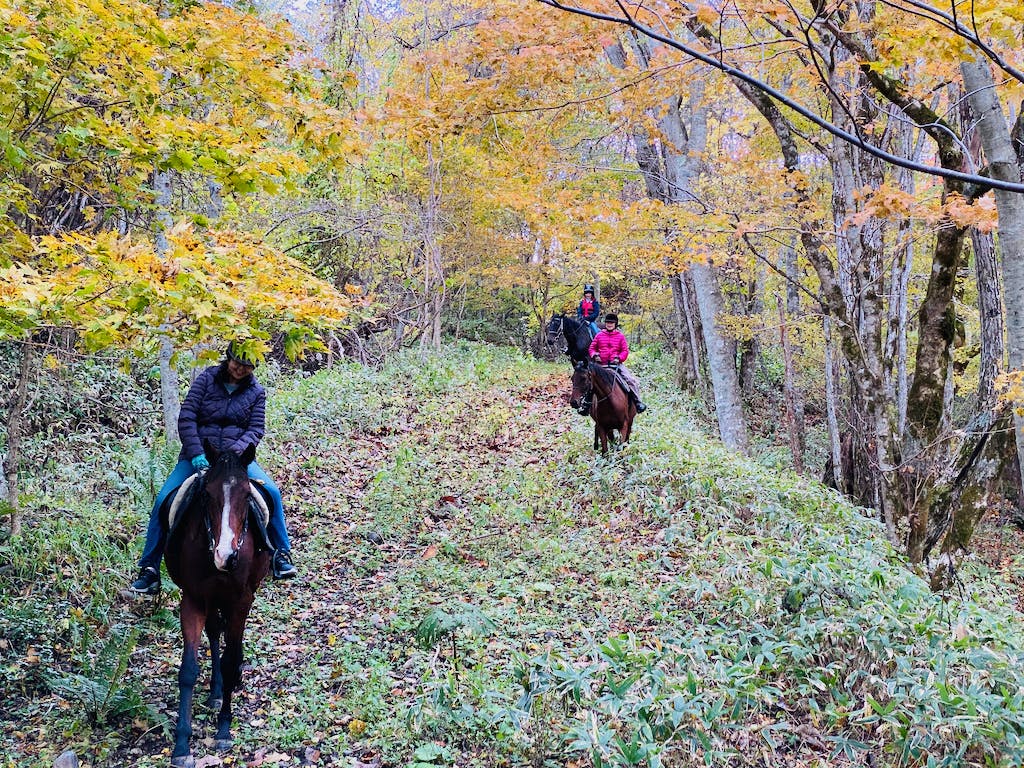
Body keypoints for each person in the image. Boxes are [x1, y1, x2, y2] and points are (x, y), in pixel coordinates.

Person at [130, 342, 297, 595]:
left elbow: (255, 430)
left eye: (247, 365)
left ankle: (281, 555)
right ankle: (149, 568)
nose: (240, 369)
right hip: (198, 456)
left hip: (236, 462)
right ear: (227, 359)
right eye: (236, 362)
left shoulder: (257, 392)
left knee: (272, 493)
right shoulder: (206, 380)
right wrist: (197, 453)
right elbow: (187, 417)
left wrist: (233, 455)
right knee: (164, 500)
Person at [588, 313, 648, 413]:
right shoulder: (599, 335)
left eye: (611, 323)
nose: (609, 324)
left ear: (615, 324)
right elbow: (592, 348)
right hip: (601, 365)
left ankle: (637, 402)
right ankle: (586, 405)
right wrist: (595, 355)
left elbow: (625, 351)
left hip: (616, 365)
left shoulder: (620, 336)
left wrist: (619, 358)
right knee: (588, 381)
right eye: (608, 322)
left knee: (630, 380)